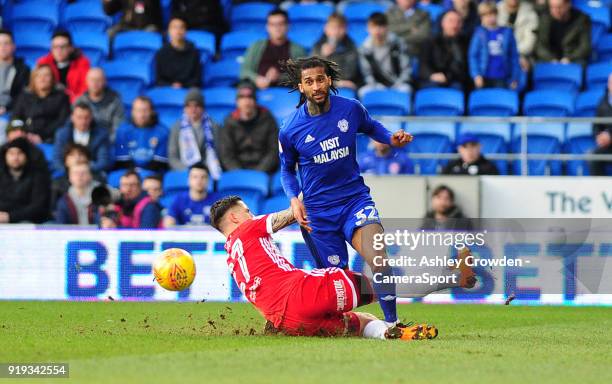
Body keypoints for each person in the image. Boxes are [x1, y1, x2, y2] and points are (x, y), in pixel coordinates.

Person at [278, 56, 413, 326]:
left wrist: (389, 138)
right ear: (301, 87)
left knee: (380, 259)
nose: (316, 86)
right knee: (337, 282)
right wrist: (294, 200)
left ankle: (392, 324)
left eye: (320, 79)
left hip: (354, 201)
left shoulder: (350, 109)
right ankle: (341, 325)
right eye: (309, 81)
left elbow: (371, 126)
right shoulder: (290, 129)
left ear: (329, 80)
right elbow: (286, 170)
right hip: (318, 214)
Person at [210, 195, 449, 339]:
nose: (251, 214)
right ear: (234, 218)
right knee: (382, 281)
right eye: (247, 211)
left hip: (288, 322)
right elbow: (293, 213)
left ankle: (389, 335)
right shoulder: (248, 228)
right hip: (301, 293)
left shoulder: (231, 254)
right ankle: (449, 278)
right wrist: (317, 181)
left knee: (361, 322)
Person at [218, 81, 279, 173]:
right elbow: (226, 154)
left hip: (264, 172)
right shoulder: (229, 122)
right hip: (237, 173)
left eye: (250, 97)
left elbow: (274, 151)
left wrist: (259, 172)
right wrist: (240, 174)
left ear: (255, 101)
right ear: (237, 102)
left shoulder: (267, 119)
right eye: (242, 97)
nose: (246, 101)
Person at [240, 9, 306, 90]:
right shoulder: (256, 46)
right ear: (267, 27)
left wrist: (279, 77)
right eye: (272, 24)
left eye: (280, 24)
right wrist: (256, 79)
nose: (277, 28)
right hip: (257, 89)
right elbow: (245, 71)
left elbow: (302, 75)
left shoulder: (298, 50)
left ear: (288, 26)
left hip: (286, 90)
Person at [167, 89, 221, 178]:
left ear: (203, 108)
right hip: (183, 173)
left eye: (196, 106)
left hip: (206, 173)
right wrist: (188, 171)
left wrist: (202, 170)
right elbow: (172, 157)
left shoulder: (213, 126)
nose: (193, 110)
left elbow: (217, 152)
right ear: (184, 108)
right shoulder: (176, 127)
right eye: (189, 106)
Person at [12, 64, 71, 144]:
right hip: (25, 136)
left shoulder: (62, 97)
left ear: (52, 78)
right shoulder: (24, 96)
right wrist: (19, 130)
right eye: (38, 76)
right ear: (33, 79)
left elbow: (61, 121)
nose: (42, 79)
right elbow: (16, 117)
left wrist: (42, 136)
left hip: (50, 138)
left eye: (46, 75)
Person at [468, 2, 520, 90]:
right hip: (484, 76)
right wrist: (476, 75)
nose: (489, 18)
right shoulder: (479, 33)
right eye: (485, 15)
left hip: (503, 76)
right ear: (481, 18)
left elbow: (514, 56)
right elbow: (473, 56)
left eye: (491, 14)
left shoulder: (507, 32)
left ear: (496, 14)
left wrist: (515, 77)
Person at [358, 12, 412, 97]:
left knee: (406, 90)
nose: (377, 30)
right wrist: (376, 86)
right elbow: (367, 74)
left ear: (387, 27)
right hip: (376, 85)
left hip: (398, 84)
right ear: (368, 28)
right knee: (363, 92)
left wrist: (398, 84)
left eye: (381, 26)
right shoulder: (365, 48)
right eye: (373, 27)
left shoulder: (398, 44)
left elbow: (406, 69)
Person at [53, 102, 111, 176]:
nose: (83, 121)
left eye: (86, 117)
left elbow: (103, 162)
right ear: (72, 118)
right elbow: (57, 160)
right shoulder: (62, 134)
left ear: (91, 118)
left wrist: (83, 171)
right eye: (79, 117)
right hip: (66, 174)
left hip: (92, 174)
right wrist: (70, 172)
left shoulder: (101, 135)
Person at [0, 137, 50, 223]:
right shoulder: (1, 175)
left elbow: (38, 207)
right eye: (11, 153)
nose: (15, 157)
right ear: (5, 156)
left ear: (26, 156)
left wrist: (10, 217)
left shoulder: (37, 176)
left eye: (19, 153)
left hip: (28, 223)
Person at [114, 96, 169, 172]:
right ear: (132, 112)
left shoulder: (162, 132)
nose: (141, 115)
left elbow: (159, 163)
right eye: (138, 110)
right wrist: (135, 173)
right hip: (128, 173)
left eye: (145, 110)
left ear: (152, 112)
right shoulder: (123, 131)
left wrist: (142, 173)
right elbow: (122, 161)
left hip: (153, 175)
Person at [418, 10, 469, 90]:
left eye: (458, 22)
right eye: (451, 21)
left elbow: (463, 68)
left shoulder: (465, 43)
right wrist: (432, 75)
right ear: (442, 23)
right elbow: (423, 65)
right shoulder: (430, 41)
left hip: (455, 80)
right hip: (431, 79)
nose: (454, 25)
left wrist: (447, 76)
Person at [36, 30, 90, 103]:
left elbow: (84, 90)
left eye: (63, 47)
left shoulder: (82, 63)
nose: (59, 50)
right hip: (47, 104)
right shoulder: (43, 63)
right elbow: (37, 88)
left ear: (71, 48)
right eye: (55, 47)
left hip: (74, 105)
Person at [312, 13, 361, 90]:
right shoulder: (318, 45)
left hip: (345, 88)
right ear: (326, 28)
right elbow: (312, 71)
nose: (336, 31)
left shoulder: (351, 46)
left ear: (346, 29)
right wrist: (323, 56)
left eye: (340, 27)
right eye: (333, 27)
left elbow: (349, 74)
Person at [534, 0, 591, 64]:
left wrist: (569, 58)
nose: (555, 11)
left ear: (568, 5)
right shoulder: (545, 19)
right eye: (552, 7)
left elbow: (585, 47)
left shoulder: (581, 19)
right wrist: (551, 59)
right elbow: (540, 47)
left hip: (573, 60)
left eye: (559, 7)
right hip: (549, 60)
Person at [75, 68, 125, 139]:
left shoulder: (115, 101)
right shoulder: (79, 101)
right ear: (86, 81)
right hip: (83, 142)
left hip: (107, 142)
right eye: (92, 80)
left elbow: (118, 128)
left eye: (98, 80)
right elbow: (72, 125)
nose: (95, 83)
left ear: (104, 81)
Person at [154, 17, 201, 88]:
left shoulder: (194, 52)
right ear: (169, 31)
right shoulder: (161, 52)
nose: (178, 31)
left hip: (188, 89)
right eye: (174, 27)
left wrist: (182, 85)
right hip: (167, 89)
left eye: (181, 27)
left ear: (186, 31)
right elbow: (159, 80)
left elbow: (197, 79)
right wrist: (171, 85)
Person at [497, 0, 539, 72]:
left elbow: (529, 43)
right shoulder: (496, 10)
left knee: (524, 65)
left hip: (523, 55)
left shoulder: (530, 13)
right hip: (498, 54)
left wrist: (515, 55)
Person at [0, 29, 30, 118]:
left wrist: (6, 107)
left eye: (6, 43)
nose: (2, 47)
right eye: (0, 44)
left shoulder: (23, 69)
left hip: (12, 111)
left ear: (13, 46)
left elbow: (23, 95)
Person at [590, 74, 612, 176]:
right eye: (611, 83)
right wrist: (599, 137)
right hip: (607, 146)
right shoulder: (602, 102)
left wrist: (610, 136)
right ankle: (598, 189)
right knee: (593, 156)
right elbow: (596, 125)